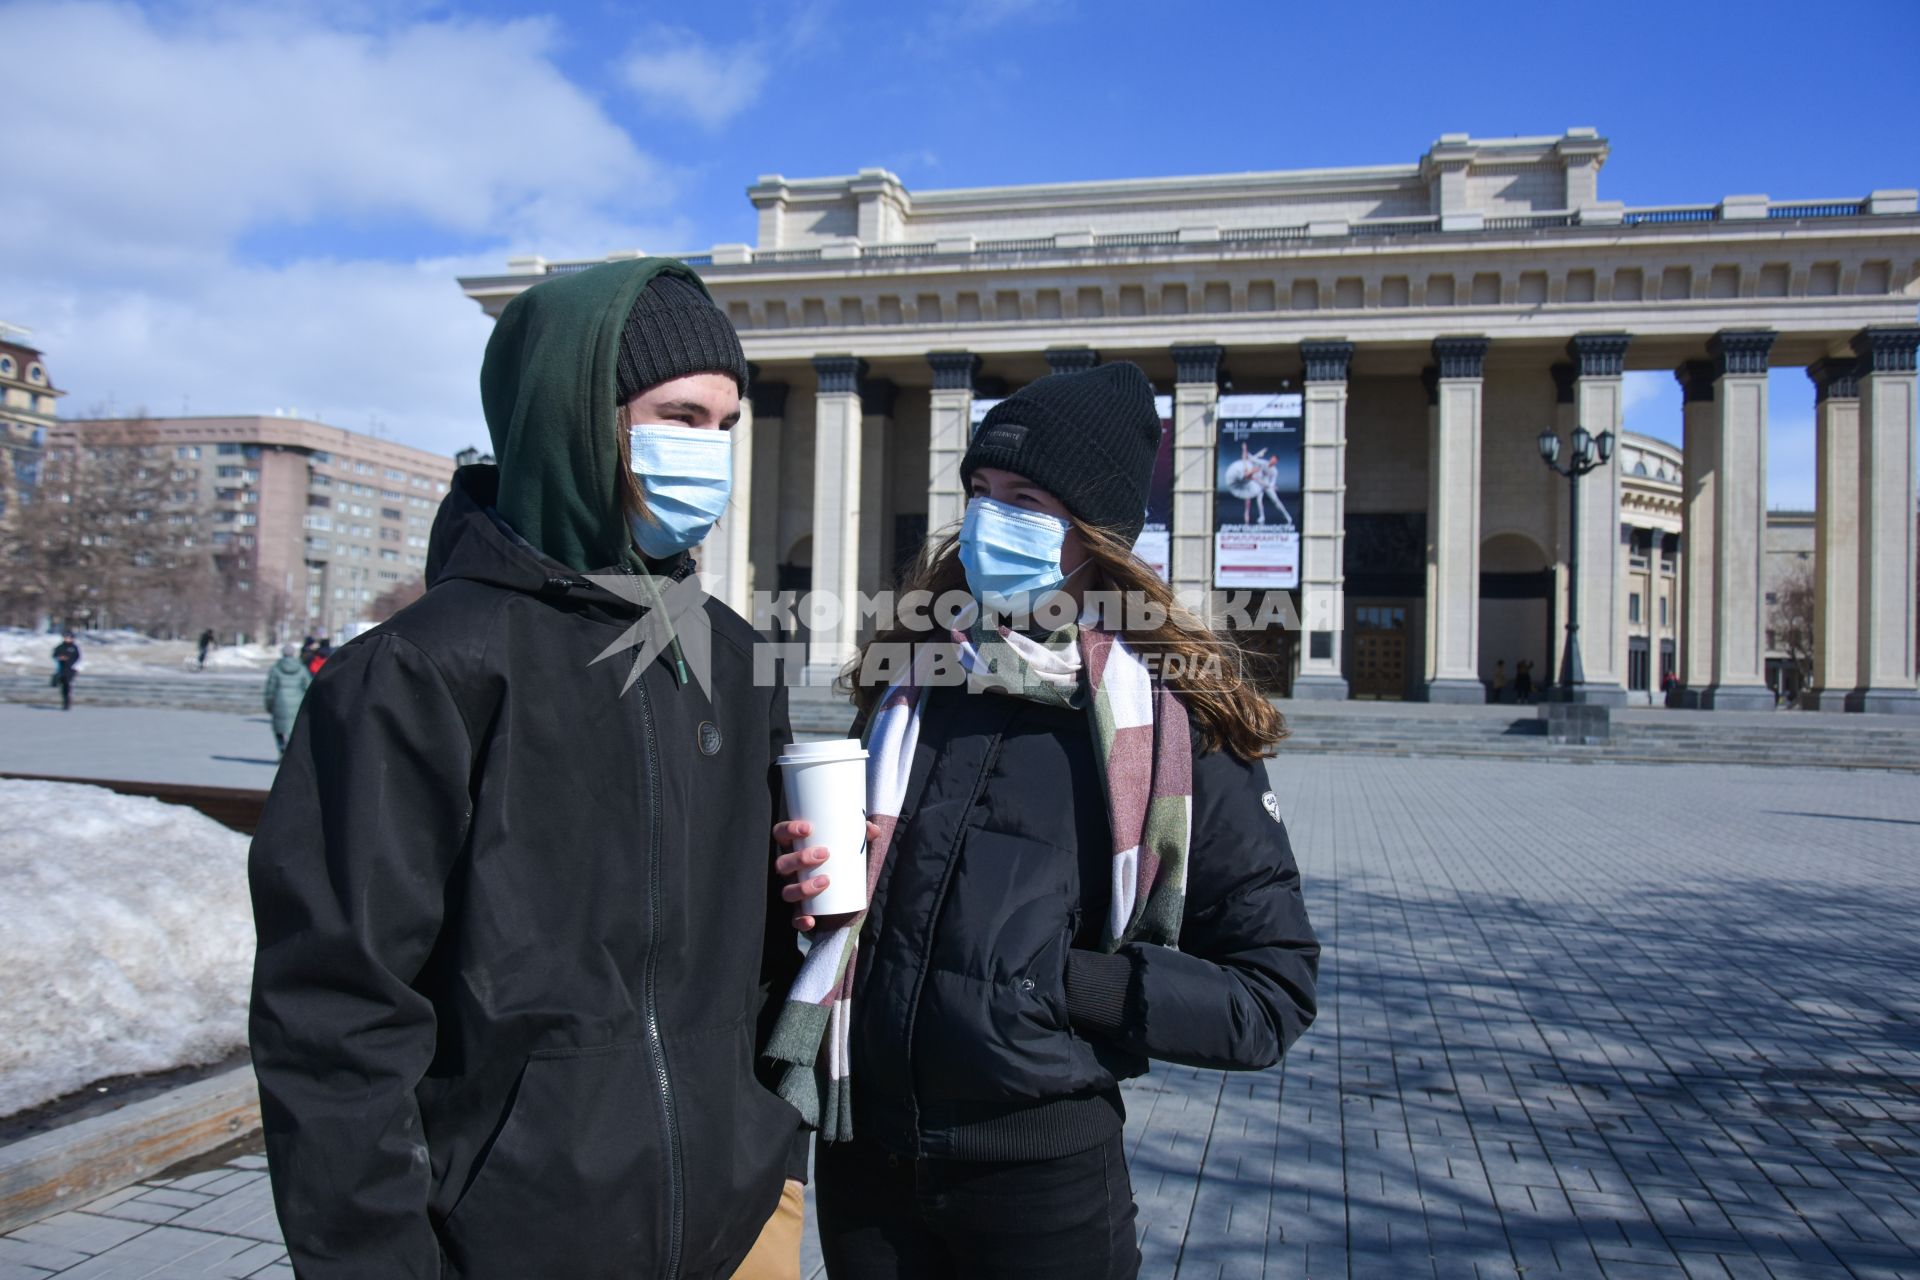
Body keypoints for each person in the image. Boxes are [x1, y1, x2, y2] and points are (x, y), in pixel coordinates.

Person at [249, 258, 805, 1280]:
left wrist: (809, 883)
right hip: (518, 1240)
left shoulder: (734, 652)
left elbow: (747, 947)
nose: (713, 456)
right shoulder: (418, 669)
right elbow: (336, 1017)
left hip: (740, 1223)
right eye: (680, 416)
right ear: (574, 417)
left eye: (727, 425)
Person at [770, 363, 1320, 1280]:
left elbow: (1272, 995)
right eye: (981, 491)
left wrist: (1065, 988)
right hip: (866, 1156)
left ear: (1094, 535)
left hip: (1040, 1184)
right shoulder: (913, 682)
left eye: (1025, 497)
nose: (990, 520)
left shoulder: (1176, 728)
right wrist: (811, 882)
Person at [261, 645, 310, 758]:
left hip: (280, 702)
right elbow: (308, 686)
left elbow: (270, 689)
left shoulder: (276, 668)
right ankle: (292, 752)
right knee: (294, 730)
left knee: (279, 730)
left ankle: (282, 749)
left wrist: (269, 704)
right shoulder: (301, 668)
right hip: (297, 702)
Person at [50, 632, 80, 711]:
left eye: (69, 637)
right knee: (63, 686)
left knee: (68, 685)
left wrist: (69, 661)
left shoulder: (74, 647)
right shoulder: (60, 647)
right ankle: (65, 701)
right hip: (61, 669)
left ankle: (67, 702)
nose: (67, 639)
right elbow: (54, 654)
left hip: (70, 669)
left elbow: (77, 657)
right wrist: (60, 657)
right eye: (66, 637)